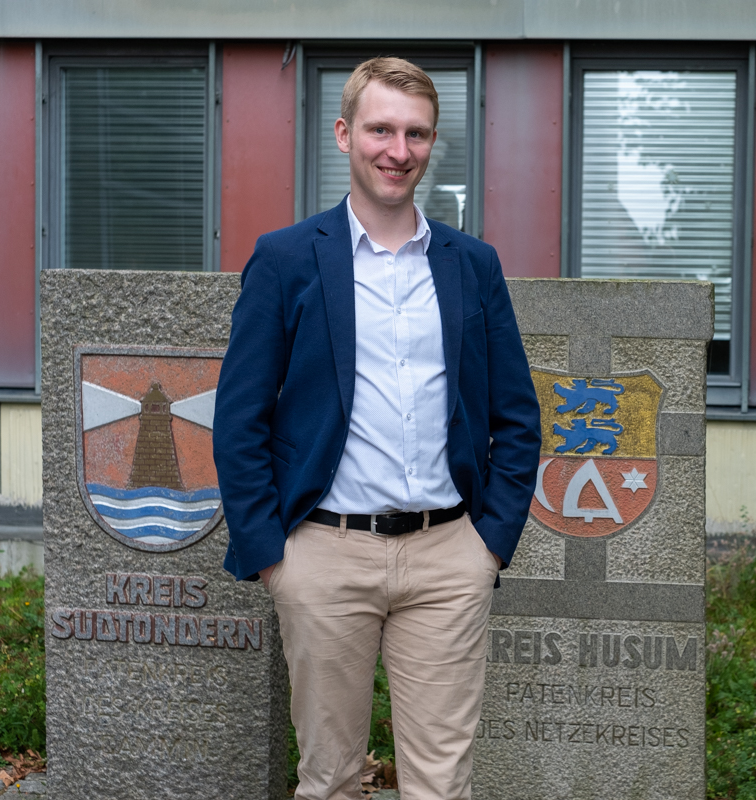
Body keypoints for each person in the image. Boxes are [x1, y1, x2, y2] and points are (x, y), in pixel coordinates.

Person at [213, 57, 541, 800]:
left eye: (416, 133)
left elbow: (516, 417)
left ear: (432, 144)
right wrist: (274, 555)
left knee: (440, 781)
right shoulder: (286, 259)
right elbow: (238, 419)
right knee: (328, 778)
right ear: (344, 135)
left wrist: (489, 545)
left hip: (448, 559)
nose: (399, 150)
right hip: (324, 556)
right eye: (382, 129)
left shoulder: (472, 265)